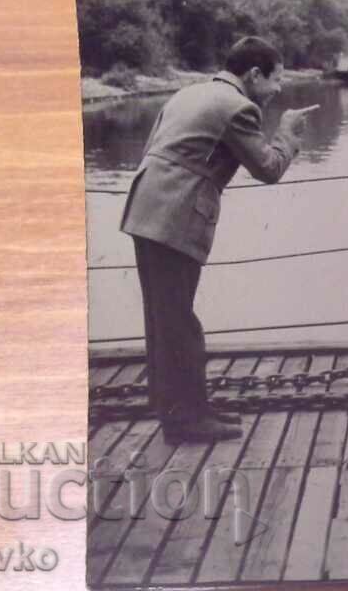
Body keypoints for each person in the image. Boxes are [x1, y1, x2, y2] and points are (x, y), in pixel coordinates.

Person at [120, 36, 315, 442]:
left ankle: (181, 408)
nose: (278, 89)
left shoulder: (190, 92)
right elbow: (269, 168)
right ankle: (185, 421)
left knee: (164, 318)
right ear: (254, 75)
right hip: (174, 216)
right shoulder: (239, 106)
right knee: (179, 323)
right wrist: (287, 133)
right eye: (275, 80)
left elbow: (156, 149)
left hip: (146, 208)